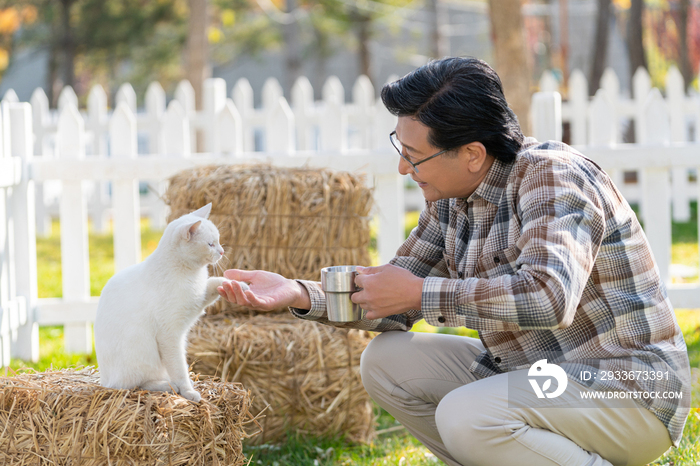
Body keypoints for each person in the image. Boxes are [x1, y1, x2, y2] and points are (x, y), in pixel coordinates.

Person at [218, 57, 690, 466]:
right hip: (538, 378)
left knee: (466, 416)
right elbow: (394, 296)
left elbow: (550, 295)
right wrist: (298, 293)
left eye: (415, 156)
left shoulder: (552, 177)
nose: (404, 168)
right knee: (385, 361)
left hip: (630, 393)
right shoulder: (450, 199)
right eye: (400, 150)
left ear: (471, 154)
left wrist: (422, 294)